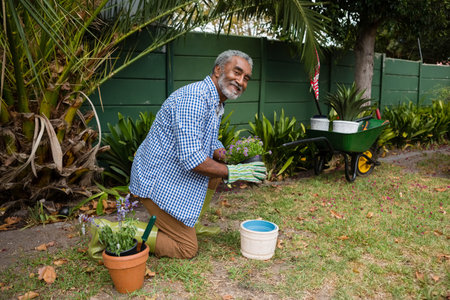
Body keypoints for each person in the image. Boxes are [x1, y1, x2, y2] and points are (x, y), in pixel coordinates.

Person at [129, 50, 266, 259]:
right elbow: (192, 159)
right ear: (218, 69)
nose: (241, 81)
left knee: (216, 172)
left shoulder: (216, 101)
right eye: (237, 73)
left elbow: (209, 142)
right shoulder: (195, 98)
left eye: (246, 78)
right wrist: (236, 171)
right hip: (154, 181)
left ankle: (186, 224)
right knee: (187, 249)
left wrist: (228, 155)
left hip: (170, 173)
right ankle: (120, 231)